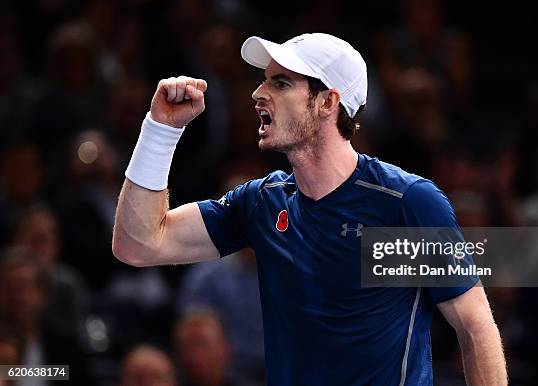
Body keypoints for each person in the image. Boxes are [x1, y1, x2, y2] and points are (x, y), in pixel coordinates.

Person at [113, 33, 507, 385]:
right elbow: (139, 244)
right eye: (265, 78)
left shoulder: (406, 203)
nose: (257, 93)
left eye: (280, 82)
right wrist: (160, 130)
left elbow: (474, 327)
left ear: (327, 102)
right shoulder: (260, 203)